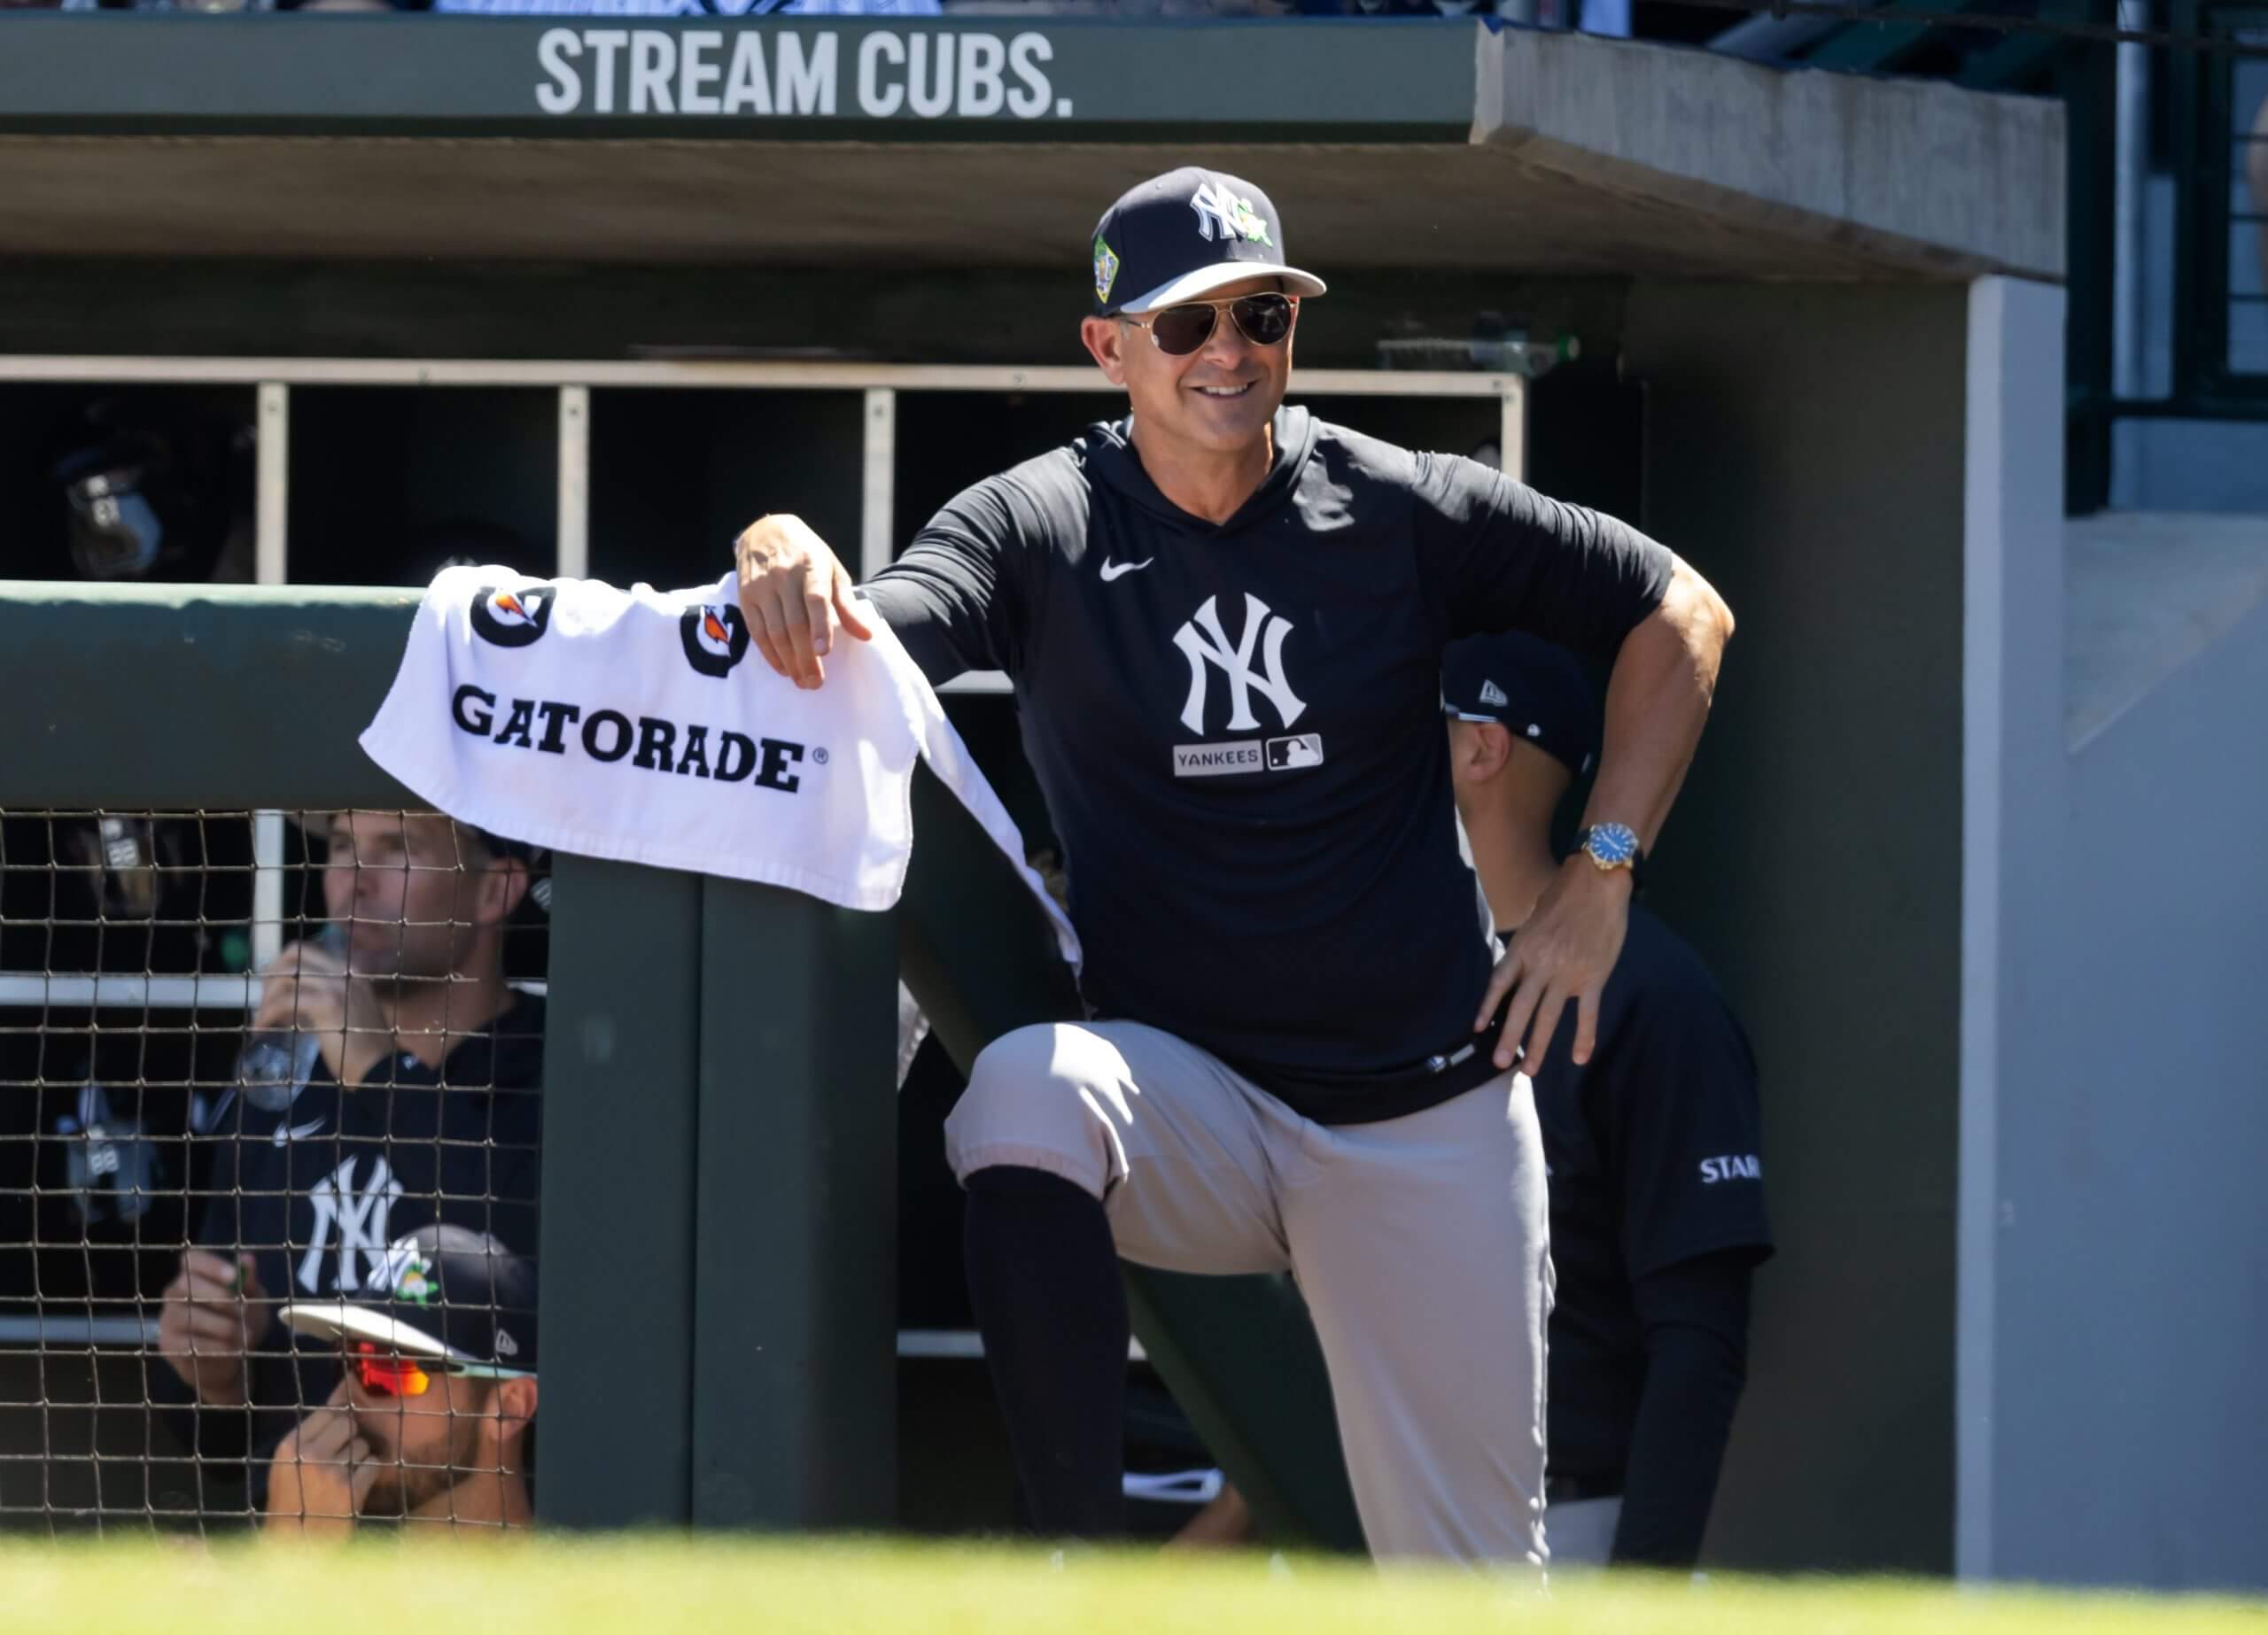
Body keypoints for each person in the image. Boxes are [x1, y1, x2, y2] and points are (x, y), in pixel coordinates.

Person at [734, 166, 1734, 1563]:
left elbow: (1683, 610)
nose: (1229, 352)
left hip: (1424, 1120)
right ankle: (1078, 1578)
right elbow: (864, 643)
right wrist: (777, 544)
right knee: (1025, 1091)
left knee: (1475, 1590)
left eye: (1260, 316)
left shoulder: (1395, 503)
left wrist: (1602, 871)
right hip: (1194, 1107)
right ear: (1109, 347)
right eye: (1188, 321)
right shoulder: (1039, 520)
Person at [1441, 631, 1772, 1569]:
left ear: (1481, 747)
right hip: (1392, 1522)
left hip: (1569, 1536)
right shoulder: (1393, 982)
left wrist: (1640, 1599)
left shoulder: (1655, 994)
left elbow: (1698, 1338)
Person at [152, 810, 543, 1514]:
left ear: (497, 891)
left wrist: (374, 1065)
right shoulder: (279, 1081)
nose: (353, 884)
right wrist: (212, 1373)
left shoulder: (555, 1074)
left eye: (398, 850)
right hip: (299, 1562)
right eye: (341, 848)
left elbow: (529, 1254)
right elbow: (212, 1446)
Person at [267, 1222, 539, 1537]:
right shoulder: (340, 1575)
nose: (341, 1398)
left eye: (385, 1365)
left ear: (510, 1407)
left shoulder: (578, 1581)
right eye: (347, 1361)